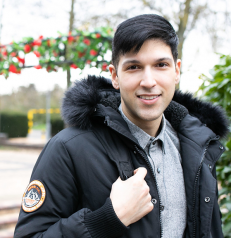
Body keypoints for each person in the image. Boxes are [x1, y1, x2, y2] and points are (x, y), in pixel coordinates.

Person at [14, 14, 228, 238]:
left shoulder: (199, 146)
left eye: (161, 65)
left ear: (176, 71)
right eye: (134, 67)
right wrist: (107, 219)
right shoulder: (68, 149)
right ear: (115, 76)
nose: (148, 81)